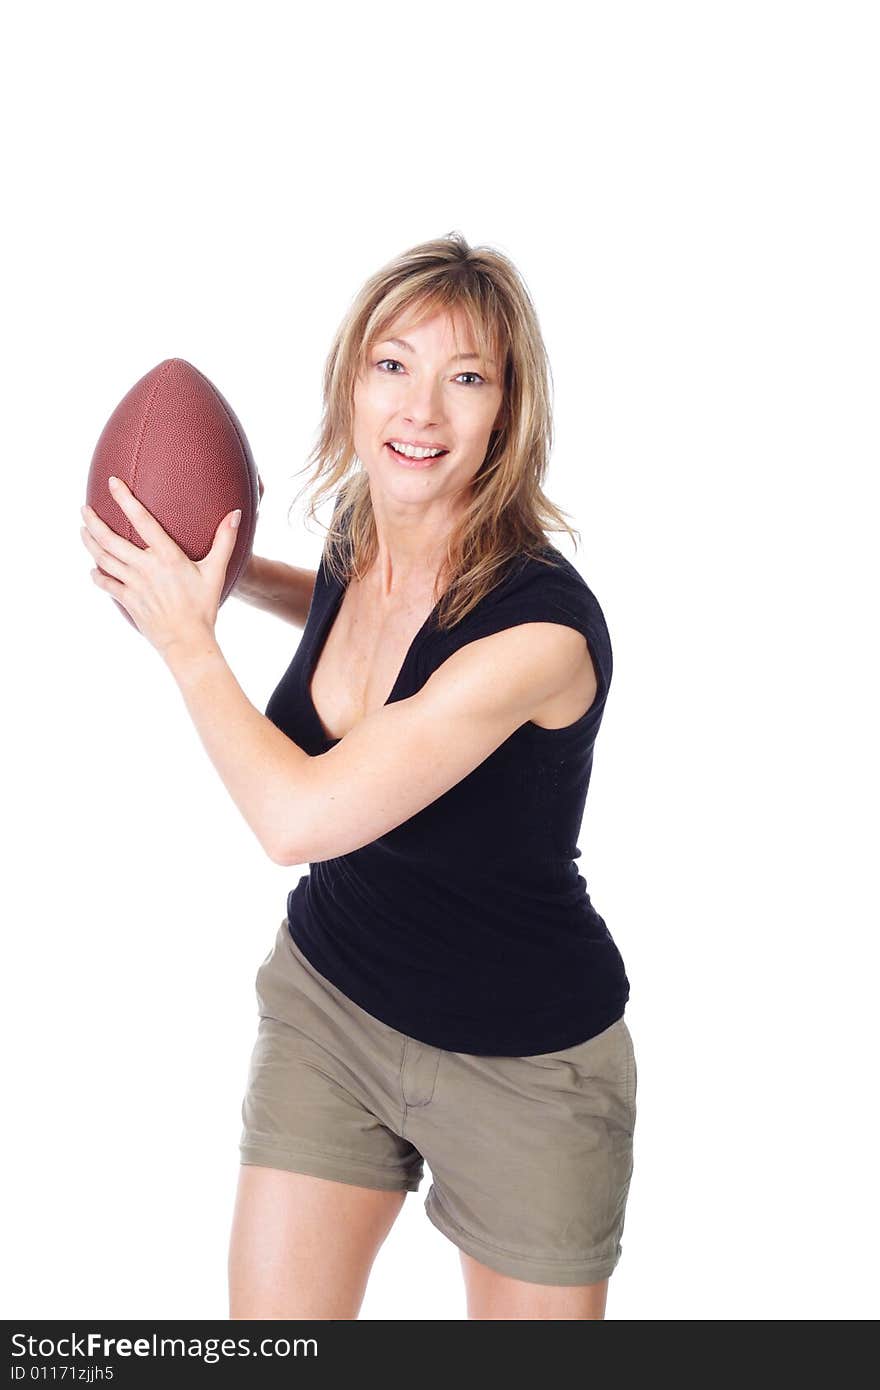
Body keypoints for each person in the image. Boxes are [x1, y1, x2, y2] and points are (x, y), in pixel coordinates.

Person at [228, 232, 637, 1320]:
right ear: (351, 382)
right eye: (392, 365)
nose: (420, 412)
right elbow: (344, 610)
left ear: (508, 410)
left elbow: (292, 819)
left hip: (525, 1061)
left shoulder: (537, 636)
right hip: (333, 998)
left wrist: (184, 641)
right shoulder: (370, 525)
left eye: (465, 379)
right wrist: (230, 580)